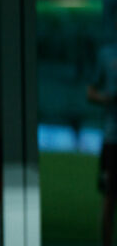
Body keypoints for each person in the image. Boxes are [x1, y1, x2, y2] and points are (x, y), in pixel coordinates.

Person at [87, 33, 117, 246]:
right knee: (109, 197)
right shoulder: (106, 55)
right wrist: (108, 98)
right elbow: (90, 92)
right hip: (112, 138)